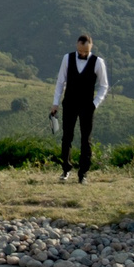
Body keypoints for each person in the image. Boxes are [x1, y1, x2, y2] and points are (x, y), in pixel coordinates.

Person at [49, 33, 109, 183]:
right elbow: (60, 82)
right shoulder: (67, 58)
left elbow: (104, 85)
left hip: (87, 105)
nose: (83, 54)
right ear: (77, 46)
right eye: (81, 51)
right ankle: (66, 169)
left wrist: (95, 103)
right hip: (69, 102)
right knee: (67, 137)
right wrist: (55, 102)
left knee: (86, 140)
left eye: (86, 51)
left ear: (91, 47)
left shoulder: (98, 62)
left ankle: (83, 174)